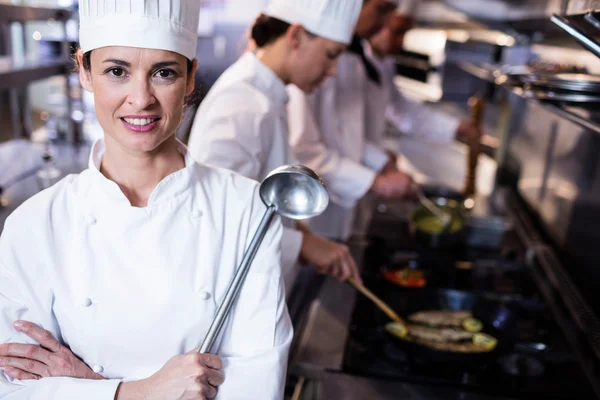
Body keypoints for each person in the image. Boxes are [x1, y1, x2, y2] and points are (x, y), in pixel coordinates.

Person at [0, 1, 292, 399]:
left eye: (164, 73)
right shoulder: (34, 224)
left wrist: (88, 388)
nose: (141, 100)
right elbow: (14, 389)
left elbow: (257, 390)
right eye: (116, 71)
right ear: (84, 70)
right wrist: (134, 392)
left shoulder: (248, 211)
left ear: (190, 77)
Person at [187, 0, 364, 294]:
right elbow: (216, 219)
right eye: (330, 55)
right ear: (295, 36)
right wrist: (303, 244)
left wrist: (302, 234)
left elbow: (255, 197)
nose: (332, 71)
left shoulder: (267, 96)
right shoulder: (241, 103)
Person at [287, 0, 415, 242]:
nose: (386, 23)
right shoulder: (308, 63)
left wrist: (380, 162)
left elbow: (343, 135)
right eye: (381, 9)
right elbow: (304, 151)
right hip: (312, 218)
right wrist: (375, 182)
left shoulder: (354, 59)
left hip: (342, 211)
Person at [364, 9, 482, 151]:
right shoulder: (351, 63)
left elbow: (403, 110)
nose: (402, 42)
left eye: (405, 33)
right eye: (397, 32)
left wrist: (456, 127)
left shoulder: (385, 63)